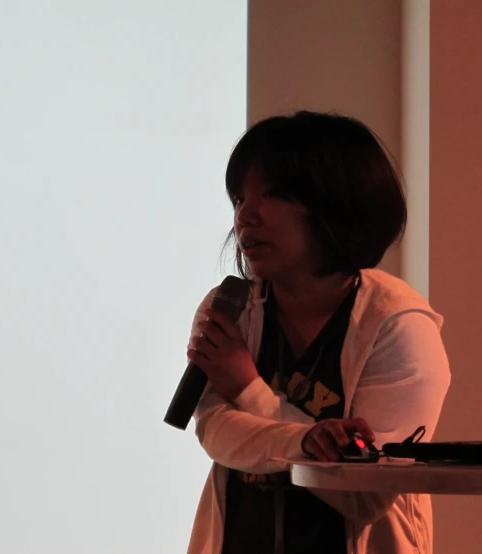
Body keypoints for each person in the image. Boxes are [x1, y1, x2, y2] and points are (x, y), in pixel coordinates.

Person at [184, 111, 451, 554]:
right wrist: (307, 442)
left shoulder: (397, 325)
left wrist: (250, 392)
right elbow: (216, 431)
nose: (245, 216)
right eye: (238, 199)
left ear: (336, 203)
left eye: (271, 194)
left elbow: (362, 496)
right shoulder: (229, 308)